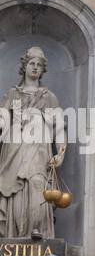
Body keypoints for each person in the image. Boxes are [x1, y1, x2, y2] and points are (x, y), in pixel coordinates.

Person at [0, 46, 65, 239]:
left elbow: (59, 127)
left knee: (37, 183)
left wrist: (61, 152)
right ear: (25, 66)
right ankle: (13, 234)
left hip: (38, 148)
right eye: (32, 63)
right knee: (13, 189)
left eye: (39, 65)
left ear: (43, 69)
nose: (35, 67)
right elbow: (3, 117)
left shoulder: (49, 97)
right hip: (13, 149)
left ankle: (37, 230)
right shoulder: (13, 94)